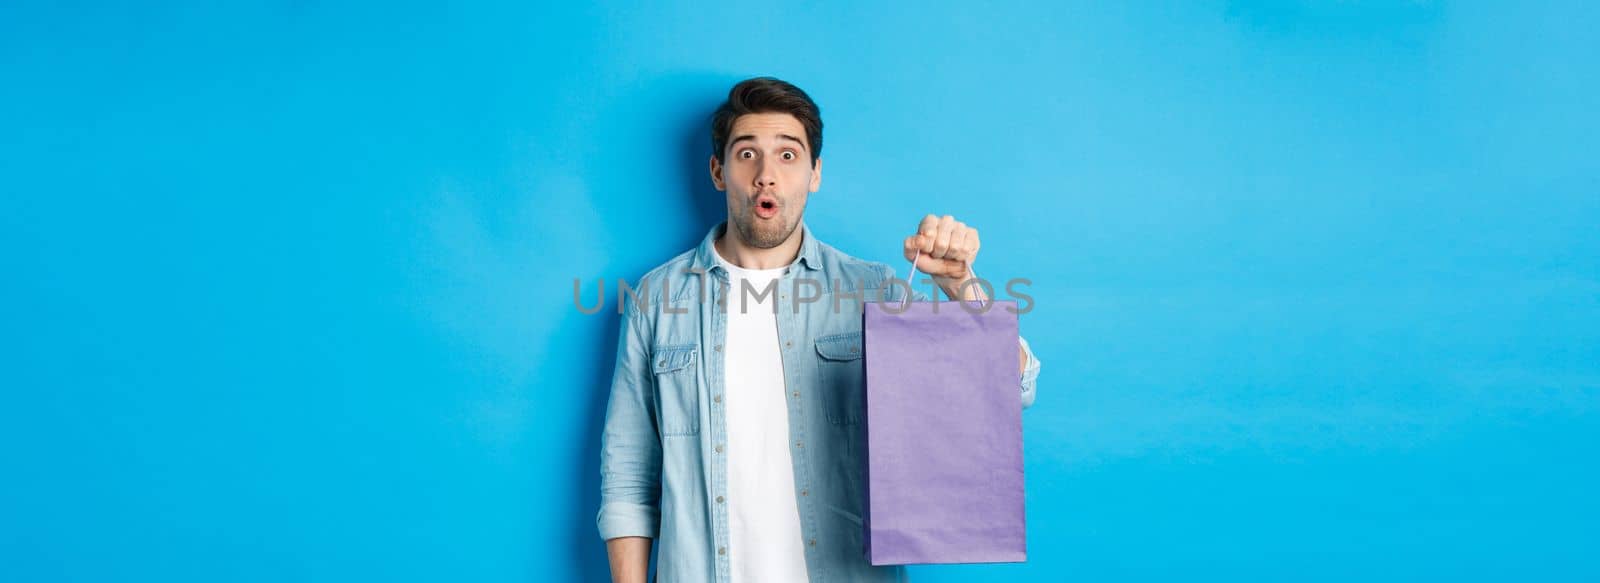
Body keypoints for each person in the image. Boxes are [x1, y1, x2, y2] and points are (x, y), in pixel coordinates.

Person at [598, 77, 1042, 583]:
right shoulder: (655, 300)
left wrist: (962, 287)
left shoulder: (872, 291)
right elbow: (629, 481)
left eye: (788, 156)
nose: (767, 175)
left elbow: (1013, 387)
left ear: (815, 174)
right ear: (719, 172)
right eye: (747, 154)